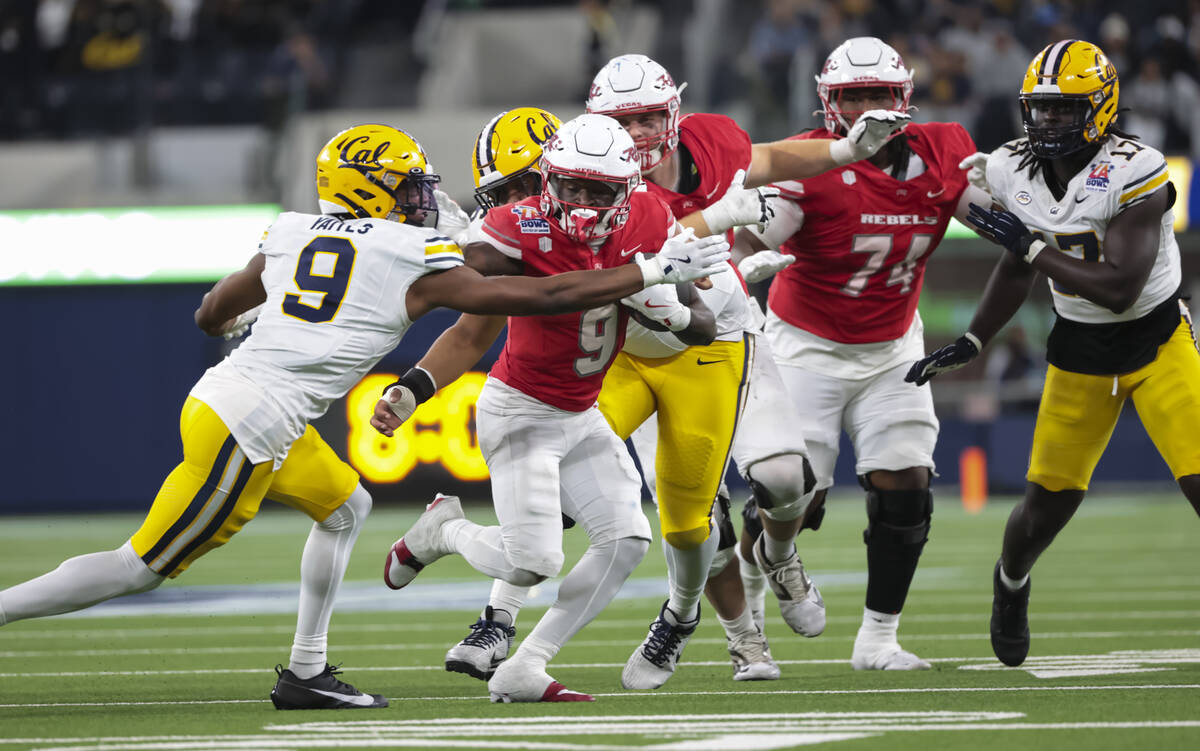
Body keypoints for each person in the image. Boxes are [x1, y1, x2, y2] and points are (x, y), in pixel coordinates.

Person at [0, 122, 726, 710]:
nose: (422, 200)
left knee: (347, 505)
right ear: (374, 190)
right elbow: (536, 300)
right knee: (141, 567)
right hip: (248, 423)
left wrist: (258, 324)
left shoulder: (290, 230)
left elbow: (209, 312)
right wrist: (652, 271)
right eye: (410, 188)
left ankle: (306, 671)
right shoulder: (412, 252)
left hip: (241, 399)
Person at [375, 113, 733, 703]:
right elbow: (466, 313)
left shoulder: (649, 218)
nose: (584, 203)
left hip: (582, 412)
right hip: (521, 410)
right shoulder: (514, 227)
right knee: (534, 560)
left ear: (628, 189)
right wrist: (412, 387)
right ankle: (445, 531)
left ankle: (526, 665)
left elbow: (701, 326)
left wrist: (667, 309)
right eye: (571, 187)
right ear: (548, 179)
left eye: (599, 190)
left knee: (626, 539)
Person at [906, 39, 1200, 667]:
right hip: (1079, 348)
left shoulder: (1137, 169)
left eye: (1065, 110)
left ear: (1100, 109)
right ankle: (1010, 585)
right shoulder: (1012, 168)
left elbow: (1121, 289)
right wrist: (973, 340)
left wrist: (1034, 248)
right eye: (1040, 110)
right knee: (1047, 504)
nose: (1049, 122)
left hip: (1155, 336)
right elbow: (1016, 270)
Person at [732, 36, 989, 670]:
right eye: (855, 96)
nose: (869, 107)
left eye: (879, 94)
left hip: (893, 347)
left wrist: (1013, 196)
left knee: (906, 490)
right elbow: (744, 240)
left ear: (903, 99)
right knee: (788, 497)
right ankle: (759, 586)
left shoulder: (945, 151)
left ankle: (878, 640)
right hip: (804, 348)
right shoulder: (803, 163)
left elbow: (994, 217)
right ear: (830, 105)